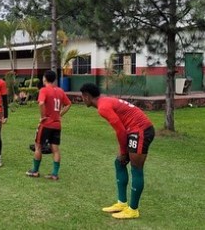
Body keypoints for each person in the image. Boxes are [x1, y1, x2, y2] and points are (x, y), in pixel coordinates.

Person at [80, 83, 155, 219]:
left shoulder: (103, 107)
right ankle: (122, 203)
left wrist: (123, 151)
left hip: (141, 130)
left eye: (82, 97)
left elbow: (120, 130)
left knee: (136, 168)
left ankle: (133, 210)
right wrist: (123, 153)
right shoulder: (104, 102)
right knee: (119, 163)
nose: (82, 99)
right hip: (133, 130)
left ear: (87, 96)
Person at [26, 70, 71, 180]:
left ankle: (35, 171)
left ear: (44, 79)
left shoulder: (44, 90)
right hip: (57, 125)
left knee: (38, 146)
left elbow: (41, 103)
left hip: (46, 124)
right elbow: (68, 104)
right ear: (54, 79)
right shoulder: (60, 91)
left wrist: (42, 117)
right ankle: (54, 174)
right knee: (55, 149)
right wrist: (59, 114)